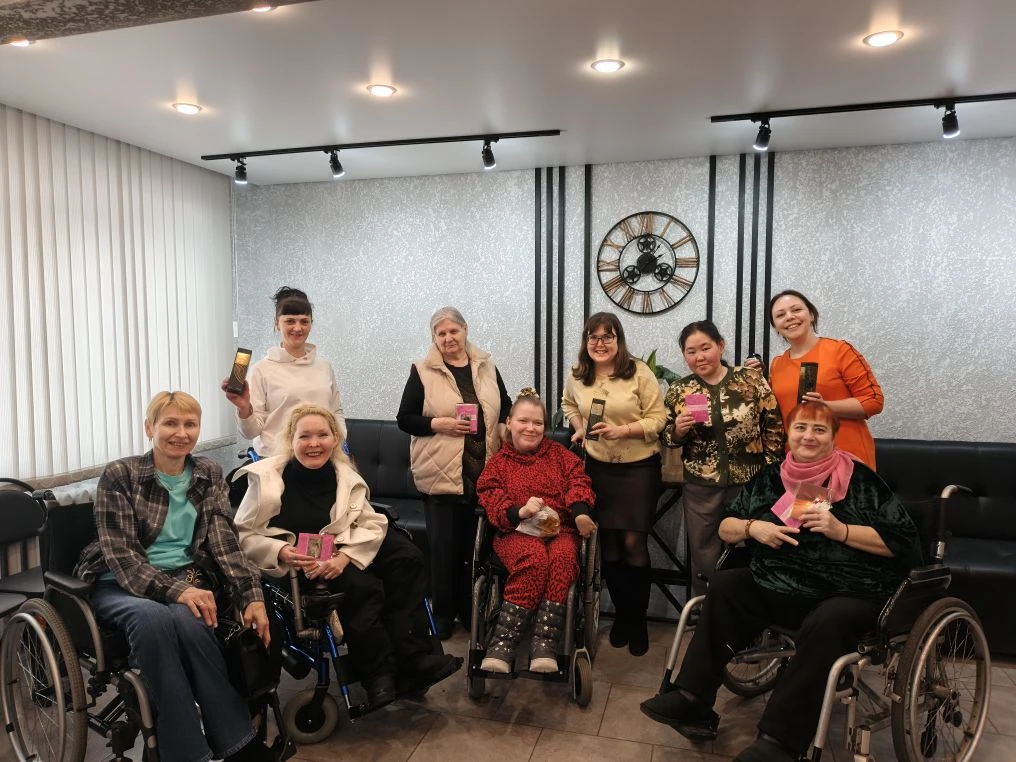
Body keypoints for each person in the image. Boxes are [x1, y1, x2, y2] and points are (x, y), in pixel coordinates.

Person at [640, 401, 921, 762]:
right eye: (801, 427)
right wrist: (752, 527)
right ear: (789, 434)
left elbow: (905, 543)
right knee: (726, 585)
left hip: (849, 589)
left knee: (828, 620)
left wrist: (842, 530)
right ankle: (693, 698)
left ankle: (780, 742)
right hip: (781, 581)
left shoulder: (861, 481)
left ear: (834, 437)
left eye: (819, 429)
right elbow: (726, 526)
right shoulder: (772, 477)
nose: (808, 436)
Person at [74, 391, 274, 762]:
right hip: (118, 582)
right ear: (149, 428)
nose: (181, 433)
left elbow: (223, 540)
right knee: (153, 621)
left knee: (193, 623)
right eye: (170, 423)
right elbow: (123, 558)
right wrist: (178, 590)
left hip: (182, 579)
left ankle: (237, 745)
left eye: (189, 424)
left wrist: (252, 595)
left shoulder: (207, 472)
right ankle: (185, 753)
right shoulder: (121, 475)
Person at [234, 404, 461, 708]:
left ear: (335, 438)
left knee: (408, 558)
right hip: (303, 560)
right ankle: (378, 673)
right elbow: (243, 535)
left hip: (344, 546)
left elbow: (369, 522)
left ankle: (414, 654)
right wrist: (281, 550)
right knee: (362, 585)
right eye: (305, 436)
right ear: (291, 439)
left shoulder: (345, 475)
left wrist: (346, 556)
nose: (314, 444)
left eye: (322, 435)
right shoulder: (266, 480)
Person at [397, 306, 512, 640]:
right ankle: (443, 615)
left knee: (472, 550)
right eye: (441, 333)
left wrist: (503, 425)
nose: (448, 338)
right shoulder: (422, 370)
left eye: (453, 331)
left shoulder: (486, 365)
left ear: (465, 330)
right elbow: (405, 419)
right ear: (434, 337)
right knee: (443, 550)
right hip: (441, 474)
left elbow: (505, 402)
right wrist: (439, 424)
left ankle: (469, 610)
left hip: (483, 474)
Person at [561, 312, 667, 656]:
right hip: (599, 469)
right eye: (593, 337)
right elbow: (567, 404)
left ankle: (638, 620)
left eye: (607, 336)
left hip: (639, 468)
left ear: (618, 340)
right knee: (608, 546)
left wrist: (622, 430)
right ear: (586, 341)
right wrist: (579, 427)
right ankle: (622, 616)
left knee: (634, 543)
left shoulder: (639, 372)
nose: (600, 343)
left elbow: (659, 418)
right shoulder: (579, 375)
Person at [475, 388, 597, 674]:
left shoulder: (561, 456)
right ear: (509, 422)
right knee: (533, 558)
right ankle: (502, 645)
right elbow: (490, 495)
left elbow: (578, 482)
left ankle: (545, 644)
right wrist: (519, 511)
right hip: (515, 531)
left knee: (563, 558)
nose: (531, 428)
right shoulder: (498, 464)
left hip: (561, 530)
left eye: (538, 423)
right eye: (523, 421)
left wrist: (580, 513)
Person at [662, 321, 785, 594]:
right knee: (704, 552)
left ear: (720, 345)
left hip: (751, 483)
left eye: (705, 348)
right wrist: (678, 431)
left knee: (756, 546)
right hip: (701, 486)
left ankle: (753, 606)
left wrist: (770, 472)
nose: (699, 356)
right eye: (691, 351)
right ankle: (705, 607)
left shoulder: (750, 379)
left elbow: (774, 425)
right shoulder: (680, 390)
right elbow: (666, 437)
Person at [223, 286, 346, 458]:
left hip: (321, 459)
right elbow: (250, 432)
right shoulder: (261, 369)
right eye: (290, 321)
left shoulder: (324, 367)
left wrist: (338, 441)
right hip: (276, 461)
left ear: (311, 324)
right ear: (277, 323)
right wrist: (244, 408)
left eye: (304, 321)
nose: (298, 328)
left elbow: (336, 412)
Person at [767, 289, 883, 468]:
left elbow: (873, 401)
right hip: (800, 462)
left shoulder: (840, 350)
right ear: (775, 327)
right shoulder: (777, 364)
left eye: (796, 310)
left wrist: (826, 406)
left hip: (846, 458)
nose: (789, 317)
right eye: (780, 315)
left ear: (811, 315)